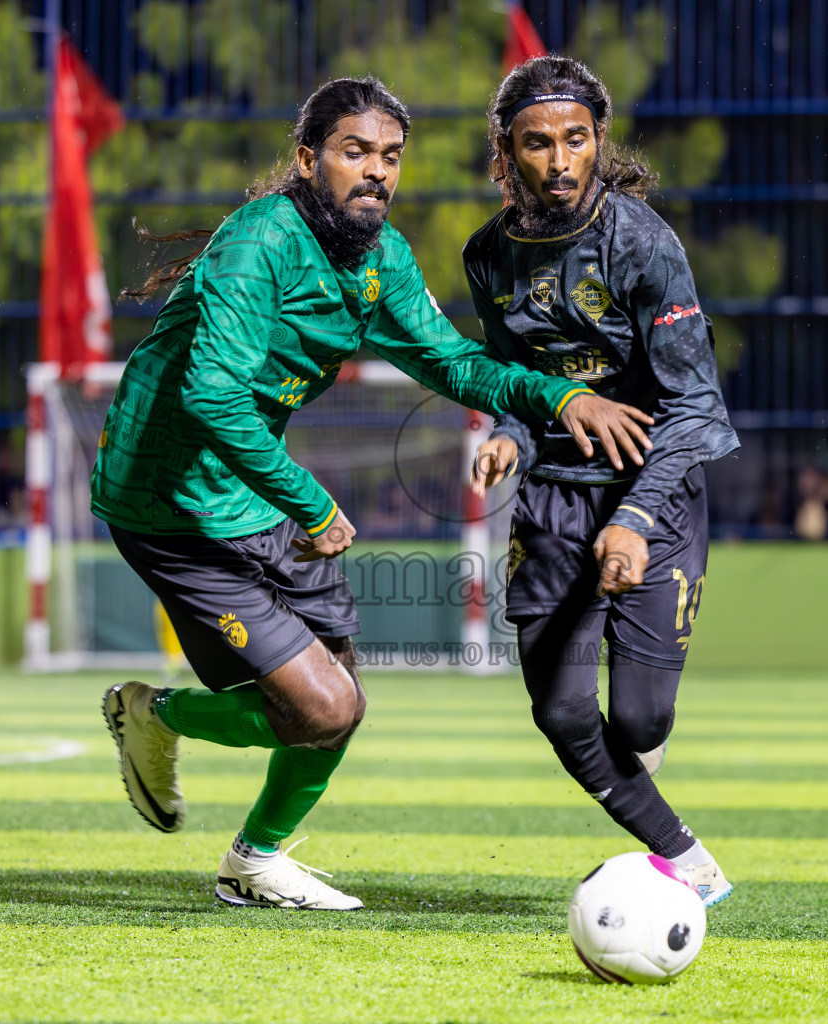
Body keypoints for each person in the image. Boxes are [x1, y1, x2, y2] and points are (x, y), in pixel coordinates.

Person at [90, 76, 653, 912]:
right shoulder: (258, 243)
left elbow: (453, 361)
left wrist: (555, 397)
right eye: (356, 153)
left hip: (256, 497)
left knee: (335, 706)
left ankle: (254, 859)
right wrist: (313, 504)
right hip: (167, 500)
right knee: (322, 709)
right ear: (308, 159)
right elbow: (211, 398)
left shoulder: (380, 258)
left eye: (390, 157)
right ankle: (156, 715)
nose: (377, 173)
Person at [464, 57, 739, 906]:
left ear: (598, 142)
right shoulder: (487, 256)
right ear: (505, 155)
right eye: (536, 143)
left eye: (575, 139)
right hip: (550, 499)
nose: (558, 160)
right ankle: (688, 862)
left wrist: (638, 518)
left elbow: (696, 406)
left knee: (641, 722)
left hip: (653, 491)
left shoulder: (643, 243)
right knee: (560, 711)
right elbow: (515, 376)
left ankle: (648, 789)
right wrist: (508, 432)